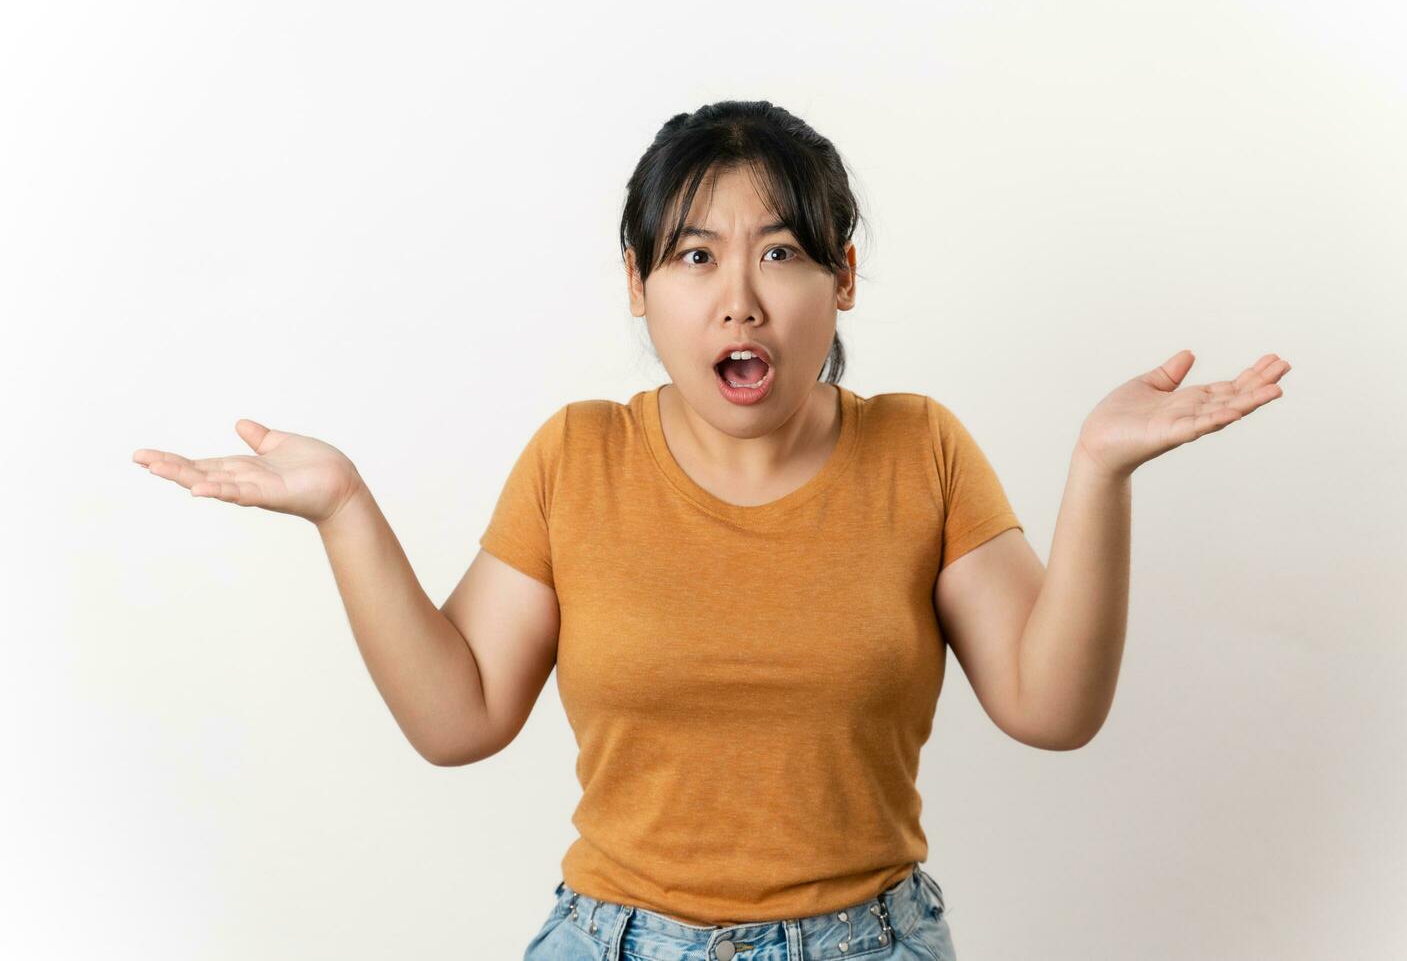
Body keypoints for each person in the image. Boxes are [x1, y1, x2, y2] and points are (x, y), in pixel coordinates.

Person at [132, 99, 1291, 960]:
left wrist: (1100, 473)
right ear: (638, 284)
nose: (739, 295)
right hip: (613, 940)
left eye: (781, 251)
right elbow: (458, 714)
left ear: (841, 280)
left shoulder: (922, 448)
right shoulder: (578, 455)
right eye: (694, 255)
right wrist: (344, 509)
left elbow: (1053, 707)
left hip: (870, 943)